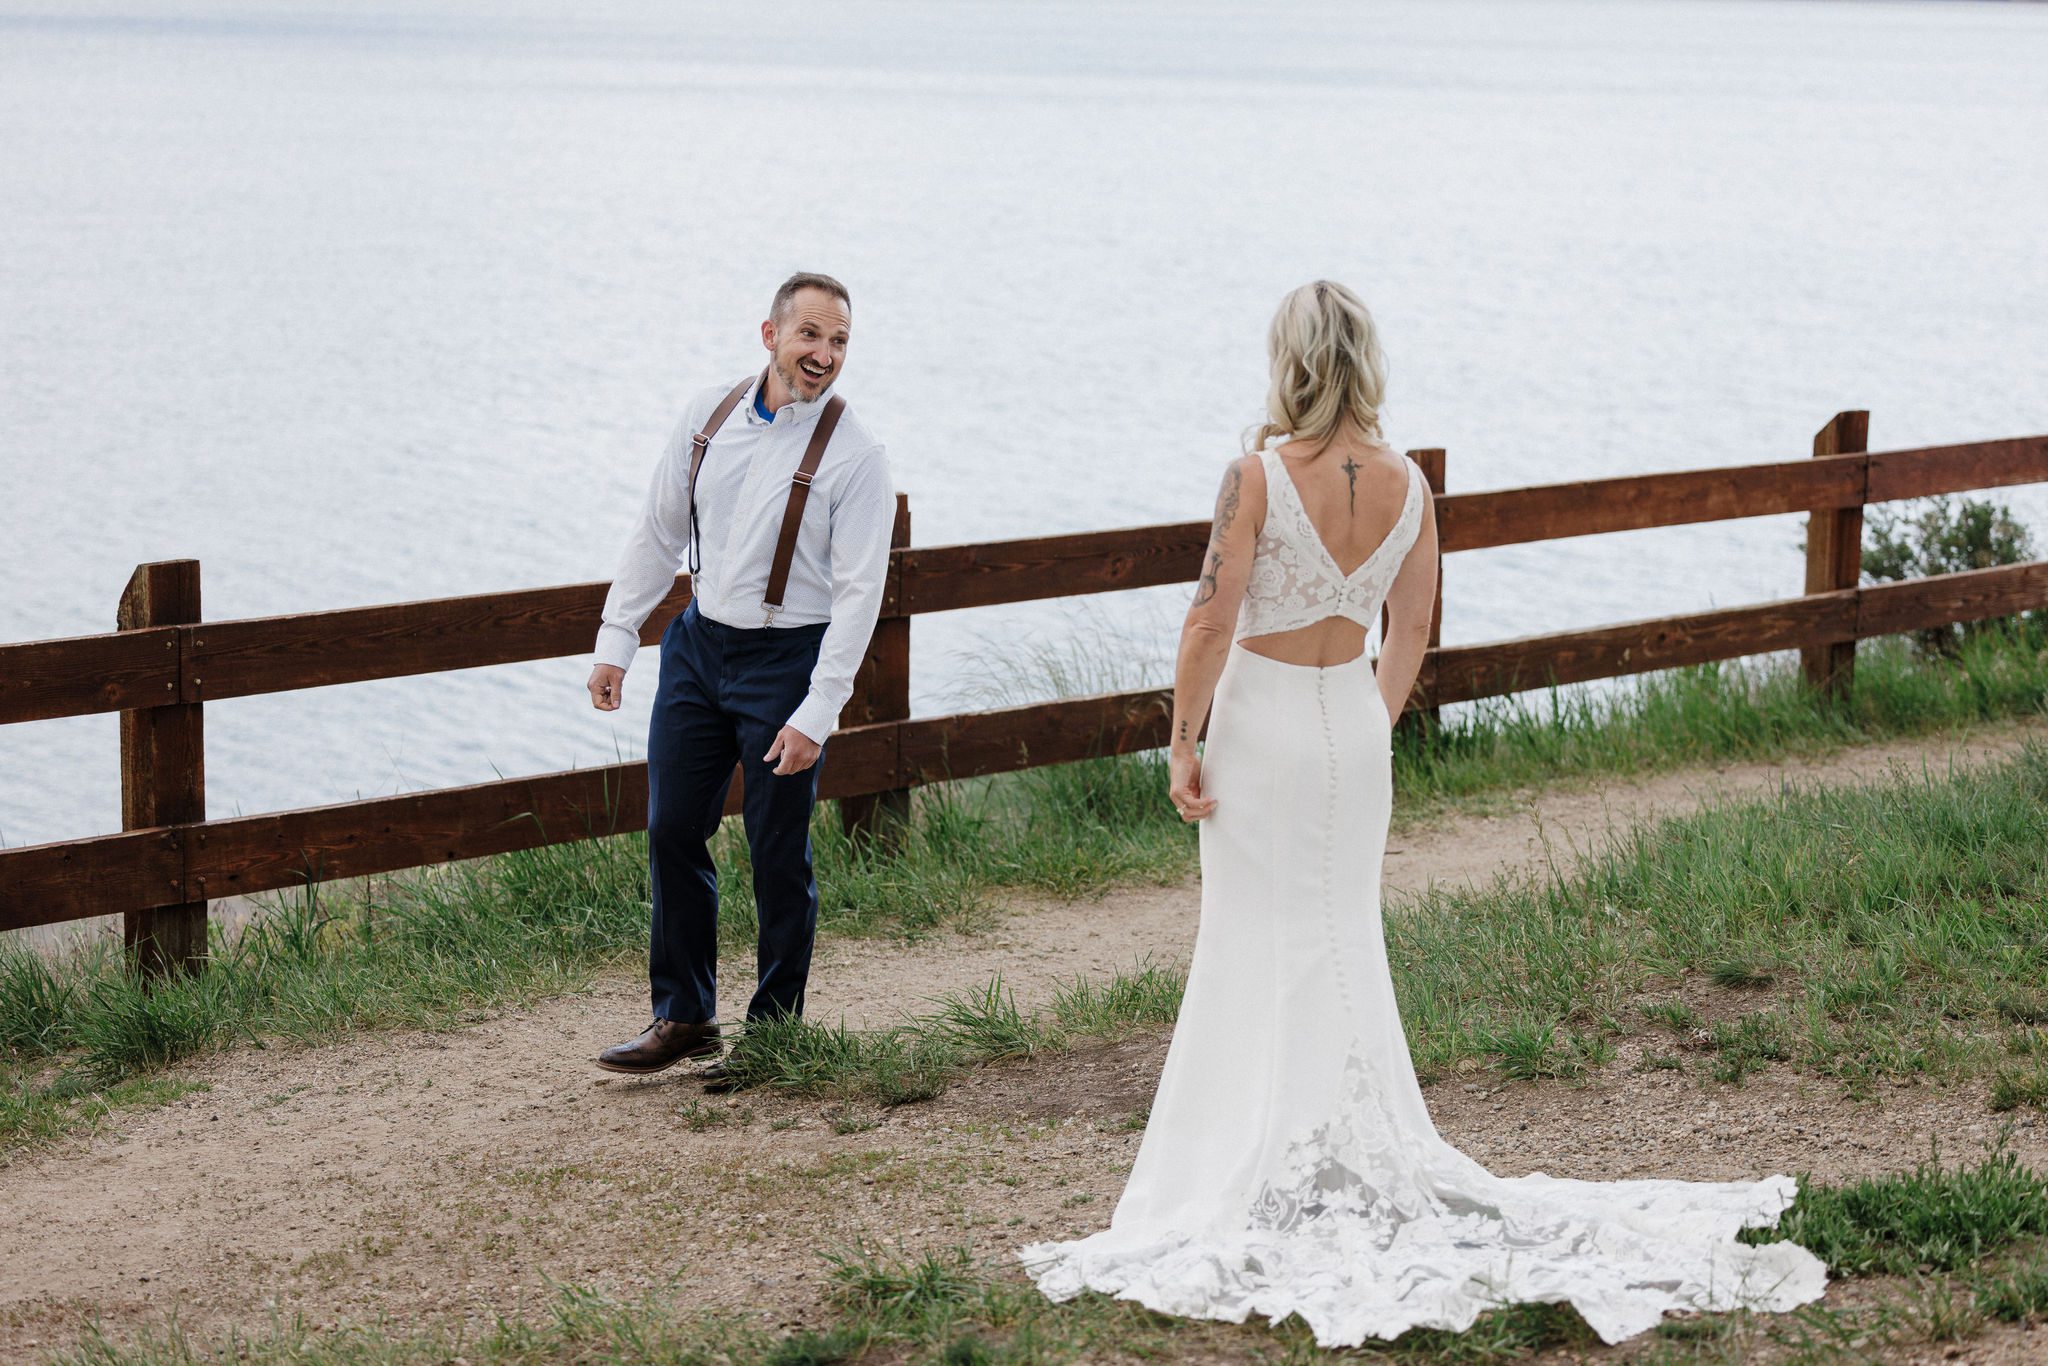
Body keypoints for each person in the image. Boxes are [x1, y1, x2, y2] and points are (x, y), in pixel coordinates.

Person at [1019, 281, 1827, 1345]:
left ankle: (1253, 1158)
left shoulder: (1254, 474)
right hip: (1351, 727)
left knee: (1253, 937)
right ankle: (1323, 1143)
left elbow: (1208, 620)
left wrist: (1180, 738)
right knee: (1338, 936)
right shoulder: (1406, 485)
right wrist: (1363, 719)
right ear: (1364, 358)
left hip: (1258, 728)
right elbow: (1410, 630)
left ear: (1291, 361)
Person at [587, 272, 894, 1090]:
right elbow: (657, 531)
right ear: (770, 334)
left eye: (839, 342)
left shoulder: (857, 456)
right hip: (695, 646)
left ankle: (773, 1035)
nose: (824, 356)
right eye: (811, 337)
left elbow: (862, 595)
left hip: (787, 663)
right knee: (671, 830)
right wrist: (617, 638)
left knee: (776, 852)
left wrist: (818, 711)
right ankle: (685, 1014)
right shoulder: (707, 417)